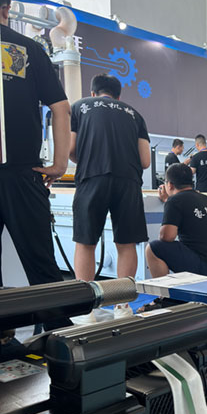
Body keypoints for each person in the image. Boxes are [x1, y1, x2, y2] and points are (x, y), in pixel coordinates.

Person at [0, 0, 71, 298]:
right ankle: (56, 326)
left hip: (17, 171)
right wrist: (60, 164)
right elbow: (61, 107)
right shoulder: (29, 49)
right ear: (7, 8)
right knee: (43, 271)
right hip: (23, 172)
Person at [69, 73, 151, 307]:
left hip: (92, 177)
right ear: (118, 96)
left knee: (86, 243)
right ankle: (122, 306)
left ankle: (86, 309)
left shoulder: (80, 107)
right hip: (128, 182)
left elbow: (70, 149)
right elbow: (145, 161)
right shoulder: (135, 114)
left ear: (93, 92)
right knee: (126, 244)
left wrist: (89, 158)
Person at [146, 163, 207, 278]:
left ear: (169, 185)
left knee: (153, 248)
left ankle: (163, 289)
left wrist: (169, 201)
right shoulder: (205, 198)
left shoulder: (175, 201)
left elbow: (166, 237)